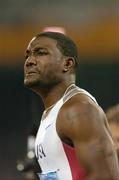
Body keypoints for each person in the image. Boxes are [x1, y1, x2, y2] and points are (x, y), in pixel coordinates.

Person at [24, 31, 119, 180]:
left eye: (40, 53)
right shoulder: (52, 113)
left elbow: (105, 175)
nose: (29, 61)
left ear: (67, 64)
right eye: (27, 55)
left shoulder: (78, 108)